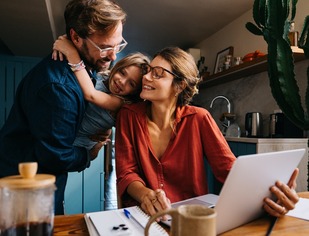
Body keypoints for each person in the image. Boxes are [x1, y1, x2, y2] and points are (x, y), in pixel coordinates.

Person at [115, 46, 300, 219]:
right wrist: (146, 195)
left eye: (157, 74)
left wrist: (274, 191)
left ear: (179, 86)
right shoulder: (128, 116)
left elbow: (229, 169)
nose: (146, 78)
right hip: (140, 214)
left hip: (190, 217)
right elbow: (126, 173)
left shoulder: (199, 118)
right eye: (148, 70)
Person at [0, 0, 126, 215]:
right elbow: (55, 156)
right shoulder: (58, 87)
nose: (114, 56)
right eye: (105, 47)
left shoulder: (83, 65)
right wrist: (90, 155)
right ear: (76, 38)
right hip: (24, 190)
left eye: (119, 45)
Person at [52, 35, 150, 152]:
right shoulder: (104, 76)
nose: (122, 82)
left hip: (79, 143)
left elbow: (91, 95)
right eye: (122, 73)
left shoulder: (119, 102)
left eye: (131, 84)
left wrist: (72, 53)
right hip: (70, 131)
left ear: (135, 92)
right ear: (117, 67)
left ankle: (95, 150)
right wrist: (71, 39)